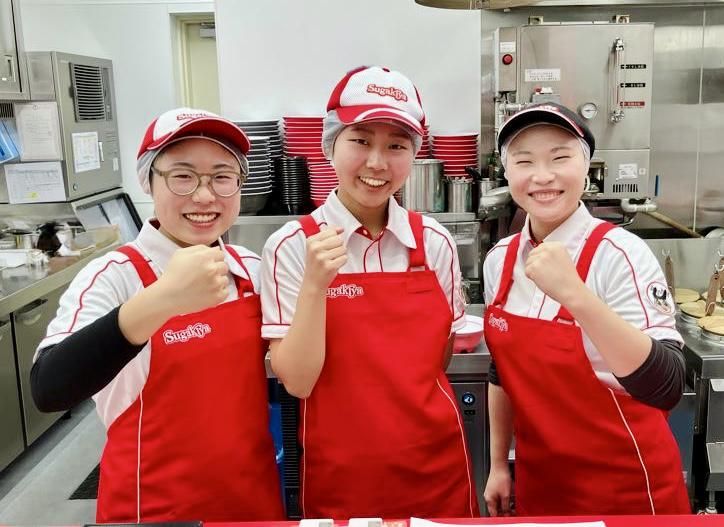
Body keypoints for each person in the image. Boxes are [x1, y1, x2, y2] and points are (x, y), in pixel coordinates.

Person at [31, 108, 285, 523]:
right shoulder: (115, 276)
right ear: (148, 180)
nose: (205, 196)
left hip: (251, 503)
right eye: (183, 176)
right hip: (151, 511)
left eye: (222, 177)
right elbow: (49, 387)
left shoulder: (251, 270)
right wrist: (161, 300)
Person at [260, 66, 478, 519]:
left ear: (413, 155)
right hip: (343, 475)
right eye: (360, 141)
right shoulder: (291, 246)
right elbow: (297, 382)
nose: (377, 163)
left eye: (396, 146)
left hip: (436, 468)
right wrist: (316, 286)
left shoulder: (433, 242)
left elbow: (438, 358)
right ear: (330, 145)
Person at [482, 102, 691, 517]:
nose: (543, 176)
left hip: (627, 490)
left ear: (586, 166)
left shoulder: (621, 254)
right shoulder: (499, 260)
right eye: (524, 161)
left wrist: (576, 295)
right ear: (507, 173)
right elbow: (501, 370)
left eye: (560, 158)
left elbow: (667, 384)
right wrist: (498, 464)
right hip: (542, 487)